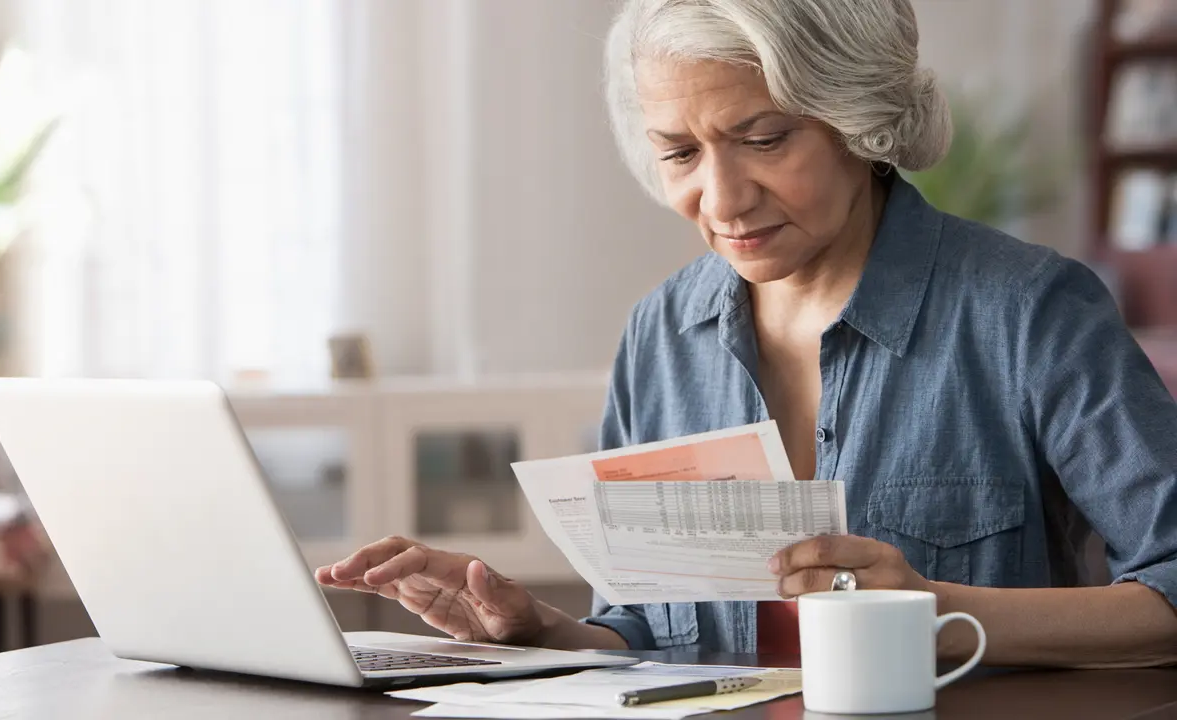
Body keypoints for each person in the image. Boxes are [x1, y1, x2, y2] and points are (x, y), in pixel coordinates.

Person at [317, 0, 1177, 667]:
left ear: (861, 120)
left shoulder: (1028, 311)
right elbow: (646, 631)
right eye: (679, 154)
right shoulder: (662, 333)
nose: (722, 201)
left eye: (763, 140)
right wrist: (540, 630)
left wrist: (941, 614)